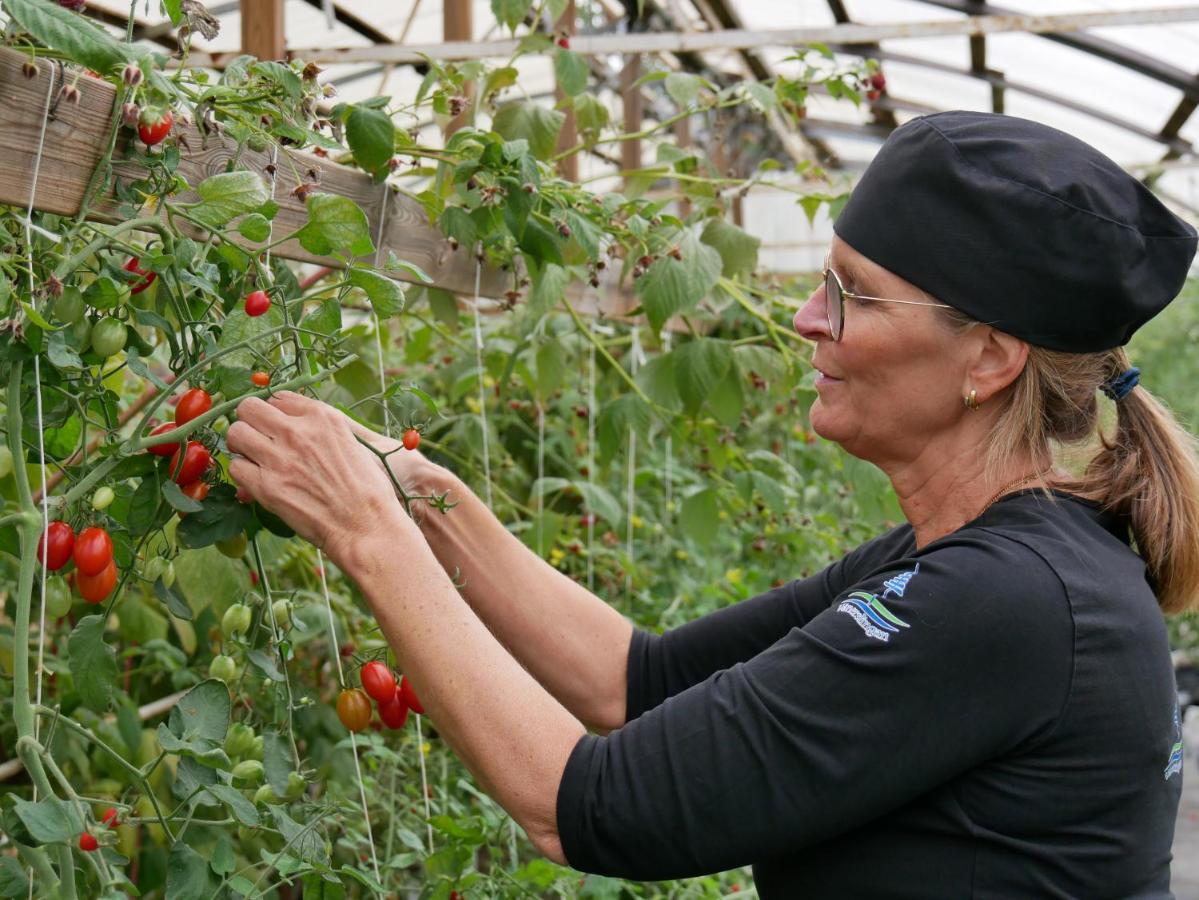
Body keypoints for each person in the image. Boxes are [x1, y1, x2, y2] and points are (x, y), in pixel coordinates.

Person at [225, 110, 1199, 898]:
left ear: (986, 356)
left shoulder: (1005, 601)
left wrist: (366, 531)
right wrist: (429, 505)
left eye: (850, 294)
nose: (804, 318)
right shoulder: (972, 559)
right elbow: (635, 683)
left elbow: (584, 807)